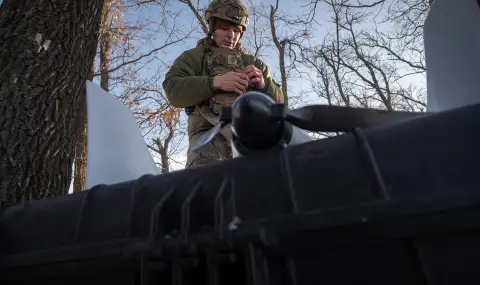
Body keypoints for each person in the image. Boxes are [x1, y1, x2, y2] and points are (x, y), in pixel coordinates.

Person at [162, 0, 285, 169]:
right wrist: (215, 82)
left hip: (251, 141)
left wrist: (264, 86)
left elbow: (280, 105)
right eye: (225, 28)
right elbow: (172, 89)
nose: (231, 35)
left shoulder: (253, 63)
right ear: (212, 28)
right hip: (207, 142)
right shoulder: (195, 57)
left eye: (236, 30)